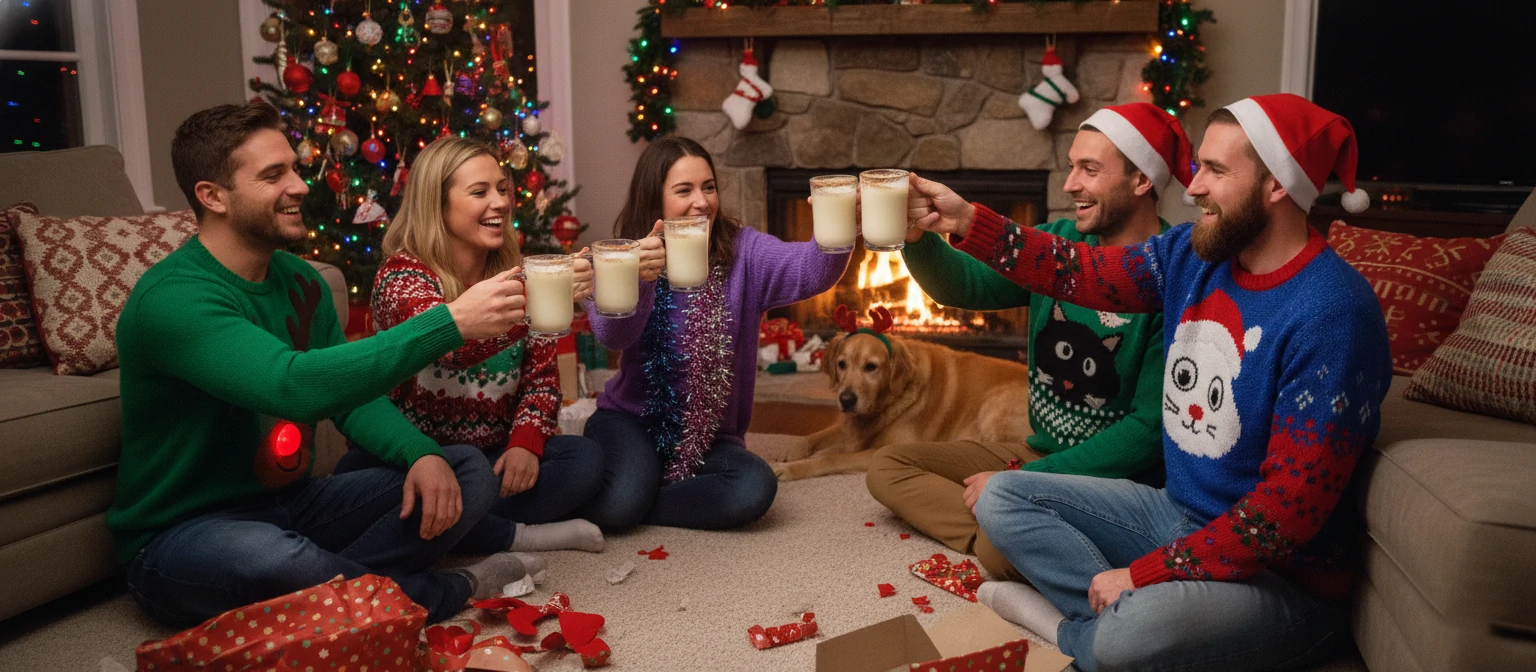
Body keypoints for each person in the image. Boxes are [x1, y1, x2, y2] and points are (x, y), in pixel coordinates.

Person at [911, 94, 1392, 671]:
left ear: (1277, 186)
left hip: (1284, 579)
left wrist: (1144, 575)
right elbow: (1079, 271)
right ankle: (1117, 616)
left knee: (1126, 640)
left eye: (1216, 171)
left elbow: (1281, 516)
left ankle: (1071, 631)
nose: (1192, 188)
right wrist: (966, 221)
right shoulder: (1192, 254)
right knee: (1001, 497)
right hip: (1179, 517)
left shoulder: (1333, 313)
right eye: (1199, 166)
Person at [109, 102, 530, 626]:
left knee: (465, 469)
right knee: (274, 558)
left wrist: (421, 454)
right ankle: (436, 592)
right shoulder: (175, 299)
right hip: (184, 533)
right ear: (212, 196)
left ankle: (343, 588)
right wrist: (451, 322)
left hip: (297, 504)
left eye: (293, 167)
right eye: (273, 175)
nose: (301, 185)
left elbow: (351, 398)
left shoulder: (303, 281)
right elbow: (293, 385)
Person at [868, 103, 1187, 581]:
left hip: (1106, 482)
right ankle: (1000, 533)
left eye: (1090, 169)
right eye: (1071, 166)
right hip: (1038, 450)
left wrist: (1021, 485)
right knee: (888, 466)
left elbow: (1145, 434)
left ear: (1141, 181)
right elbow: (965, 285)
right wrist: (916, 236)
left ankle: (1006, 535)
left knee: (1002, 547)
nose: (1069, 184)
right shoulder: (1054, 244)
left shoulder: (1172, 280)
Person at [338, 136, 604, 558]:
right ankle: (511, 535)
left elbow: (542, 380)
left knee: (584, 458)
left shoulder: (519, 272)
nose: (499, 202)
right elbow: (452, 350)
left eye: (501, 188)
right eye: (480, 192)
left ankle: (464, 527)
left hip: (492, 456)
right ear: (436, 204)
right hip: (416, 459)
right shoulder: (403, 276)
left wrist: (525, 441)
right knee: (359, 478)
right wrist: (544, 300)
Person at [577, 136, 852, 530]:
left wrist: (840, 222)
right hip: (630, 421)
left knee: (753, 488)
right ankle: (635, 493)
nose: (702, 201)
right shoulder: (624, 255)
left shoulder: (745, 253)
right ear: (654, 200)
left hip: (709, 437)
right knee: (618, 505)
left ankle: (643, 498)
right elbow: (613, 336)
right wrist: (640, 276)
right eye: (684, 190)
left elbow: (811, 269)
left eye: (708, 187)